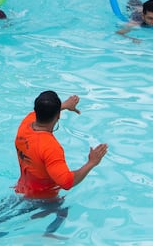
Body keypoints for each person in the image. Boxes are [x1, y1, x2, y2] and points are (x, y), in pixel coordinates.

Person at [12, 91, 108, 234]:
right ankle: (48, 237)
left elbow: (40, 112)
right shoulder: (50, 147)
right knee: (63, 211)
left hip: (20, 190)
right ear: (58, 116)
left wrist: (63, 105)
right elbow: (66, 182)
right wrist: (92, 163)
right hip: (44, 199)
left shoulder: (25, 125)